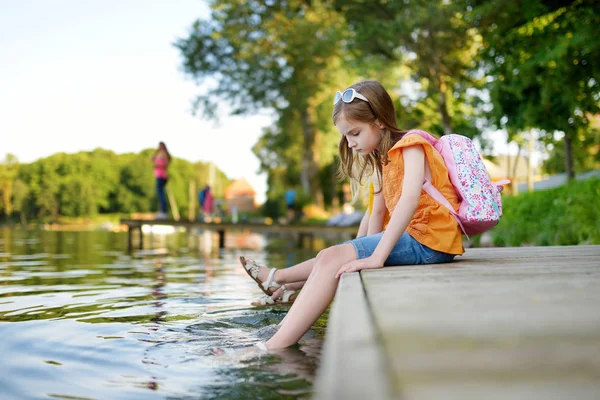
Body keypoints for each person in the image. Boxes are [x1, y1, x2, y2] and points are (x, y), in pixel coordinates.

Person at [239, 80, 464, 350]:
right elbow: (376, 211)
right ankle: (280, 326)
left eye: (355, 133)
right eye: (346, 136)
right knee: (330, 256)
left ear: (380, 121)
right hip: (416, 239)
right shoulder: (385, 158)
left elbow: (409, 200)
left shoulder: (412, 145)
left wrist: (376, 257)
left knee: (333, 257)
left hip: (430, 240)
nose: (350, 143)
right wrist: (357, 250)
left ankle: (272, 345)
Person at [152, 142, 171, 219]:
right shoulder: (159, 153)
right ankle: (162, 211)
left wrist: (158, 165)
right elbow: (152, 158)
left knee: (161, 194)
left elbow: (166, 164)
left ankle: (164, 212)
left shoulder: (164, 154)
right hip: (159, 176)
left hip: (161, 176)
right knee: (160, 194)